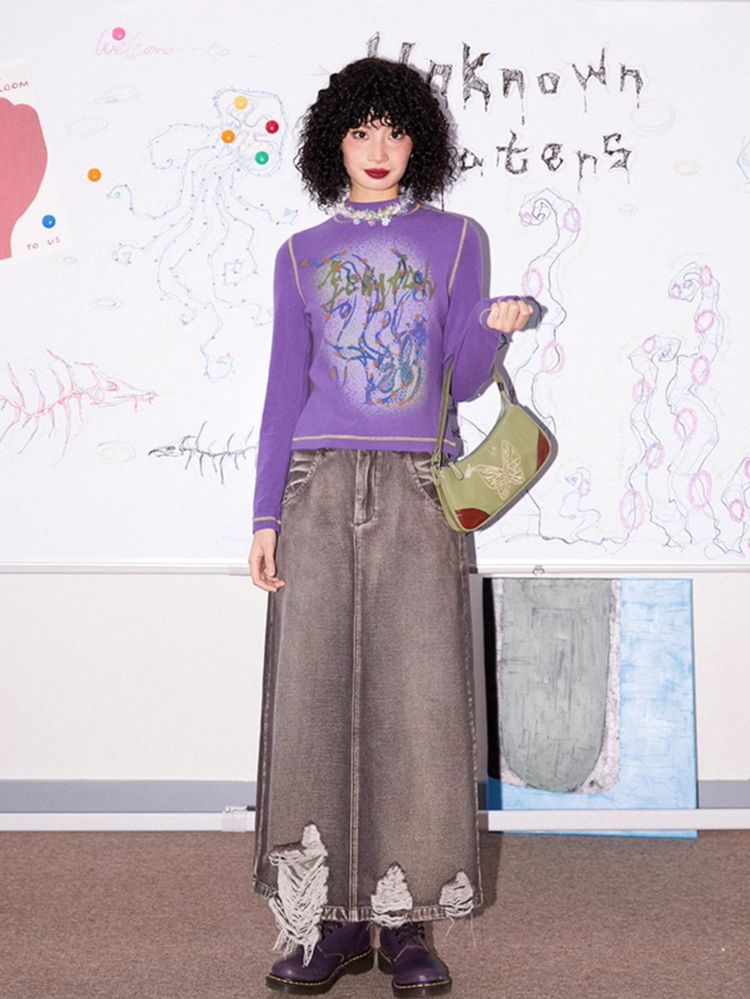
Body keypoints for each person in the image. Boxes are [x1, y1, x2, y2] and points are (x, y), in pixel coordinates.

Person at [248, 55, 532, 997]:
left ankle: (406, 921)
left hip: (417, 484)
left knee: (420, 700)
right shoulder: (300, 253)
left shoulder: (458, 239)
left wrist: (495, 325)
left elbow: (464, 379)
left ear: (421, 142)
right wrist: (265, 513)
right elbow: (282, 391)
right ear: (334, 142)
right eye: (361, 130)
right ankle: (327, 921)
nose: (378, 148)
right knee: (313, 699)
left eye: (396, 131)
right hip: (317, 483)